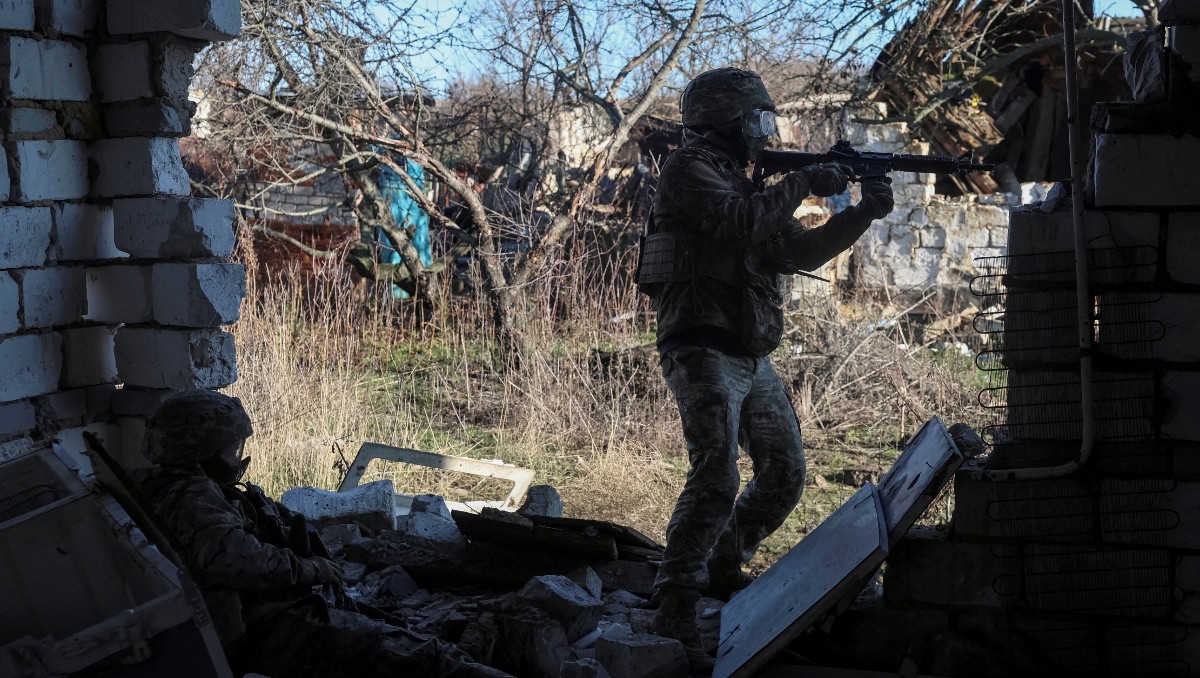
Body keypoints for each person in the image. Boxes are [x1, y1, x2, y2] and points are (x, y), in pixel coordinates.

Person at [637, 67, 895, 668]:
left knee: (783, 472)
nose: (765, 131)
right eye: (758, 119)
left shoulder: (745, 179)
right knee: (717, 474)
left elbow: (795, 251)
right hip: (701, 344)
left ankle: (725, 566)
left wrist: (861, 215)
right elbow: (739, 222)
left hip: (748, 349)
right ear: (724, 119)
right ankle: (675, 599)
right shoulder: (689, 169)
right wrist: (806, 177)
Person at [132, 389, 509, 678]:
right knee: (419, 656)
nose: (238, 457)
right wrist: (314, 569)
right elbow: (236, 560)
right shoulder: (193, 496)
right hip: (263, 625)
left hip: (264, 613)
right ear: (198, 450)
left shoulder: (169, 486)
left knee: (399, 635)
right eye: (230, 450)